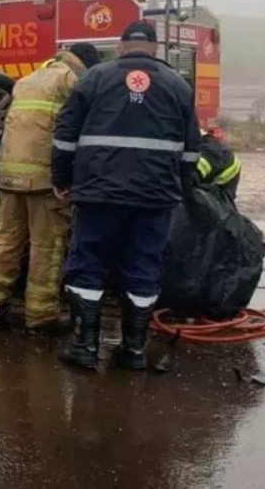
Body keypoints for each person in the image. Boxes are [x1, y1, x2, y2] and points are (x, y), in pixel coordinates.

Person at [52, 21, 200, 371]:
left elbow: (64, 136)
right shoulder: (178, 85)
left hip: (99, 193)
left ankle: (85, 347)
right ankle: (134, 351)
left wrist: (62, 179)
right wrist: (177, 185)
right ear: (155, 49)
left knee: (88, 263)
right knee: (144, 268)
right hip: (154, 198)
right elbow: (192, 150)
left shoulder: (95, 78)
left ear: (120, 47)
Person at [0, 42, 102, 334]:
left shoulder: (26, 80)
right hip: (44, 182)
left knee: (6, 243)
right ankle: (41, 316)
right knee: (46, 248)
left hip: (9, 178)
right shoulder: (72, 82)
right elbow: (78, 132)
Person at [195, 129, 241, 200]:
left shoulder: (208, 153)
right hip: (221, 199)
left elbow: (188, 180)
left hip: (213, 202)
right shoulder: (213, 148)